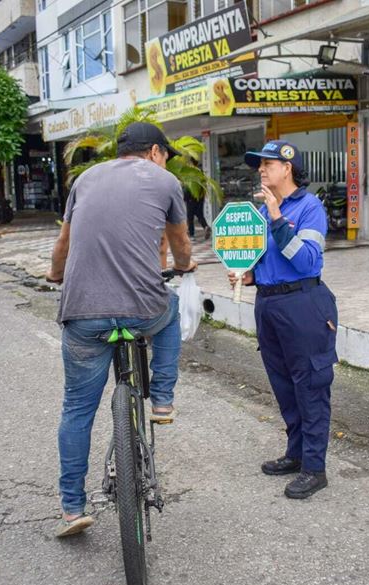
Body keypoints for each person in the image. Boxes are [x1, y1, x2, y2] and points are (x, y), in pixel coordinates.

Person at [45, 122, 197, 537]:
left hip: (83, 315)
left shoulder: (84, 179)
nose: (165, 161)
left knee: (76, 410)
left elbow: (64, 244)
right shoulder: (165, 182)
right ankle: (162, 399)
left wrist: (55, 274)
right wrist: (184, 266)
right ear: (153, 152)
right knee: (172, 307)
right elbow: (180, 242)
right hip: (142, 310)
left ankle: (73, 508)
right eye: (165, 153)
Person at [228, 140, 338, 500]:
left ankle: (314, 468)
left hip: (304, 305)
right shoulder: (261, 212)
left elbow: (307, 261)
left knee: (310, 385)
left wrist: (277, 219)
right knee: (285, 387)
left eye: (268, 164)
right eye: (258, 164)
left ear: (287, 167)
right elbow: (267, 263)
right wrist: (248, 276)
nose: (261, 169)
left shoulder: (309, 208)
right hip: (269, 306)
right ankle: (295, 454)